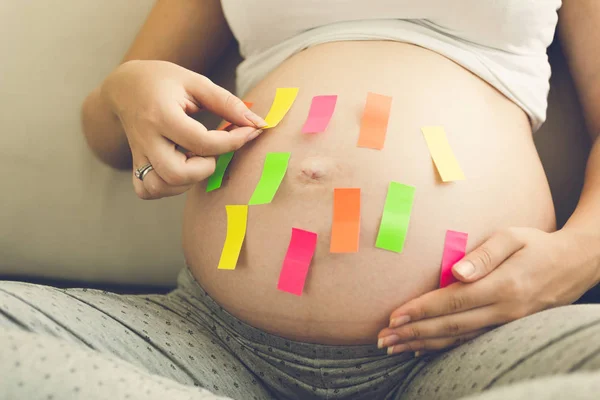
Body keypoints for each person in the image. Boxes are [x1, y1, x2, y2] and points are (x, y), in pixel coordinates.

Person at [2, 1, 600, 399]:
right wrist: (125, 91)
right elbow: (107, 137)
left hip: (467, 345)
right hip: (207, 342)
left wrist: (578, 254)